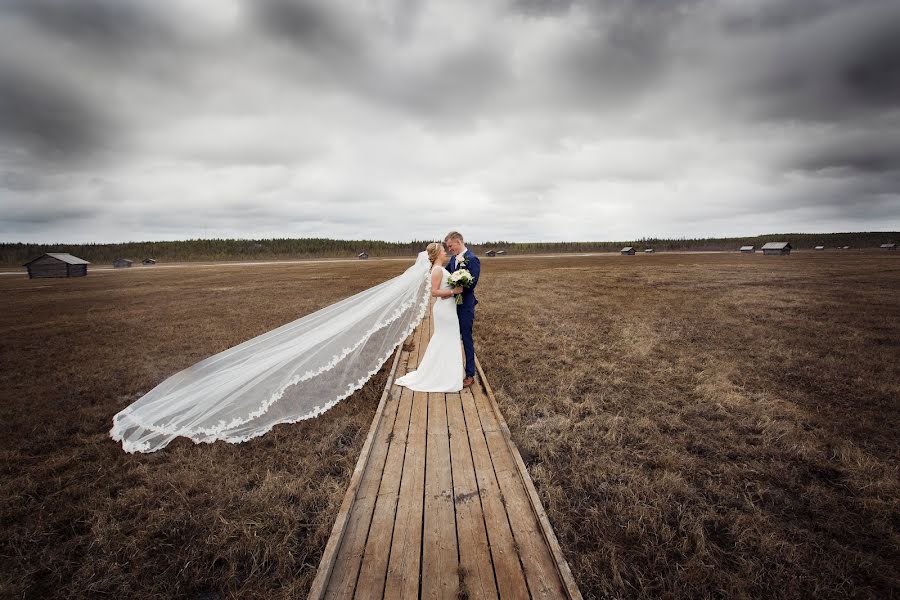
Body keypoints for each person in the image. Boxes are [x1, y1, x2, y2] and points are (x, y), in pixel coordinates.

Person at [395, 242, 465, 392]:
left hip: (448, 308)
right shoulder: (437, 270)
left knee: (447, 339)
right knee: (445, 338)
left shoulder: (439, 269)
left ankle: (446, 373)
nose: (445, 253)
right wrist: (455, 291)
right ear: (437, 254)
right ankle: (441, 375)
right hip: (445, 311)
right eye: (443, 251)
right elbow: (434, 292)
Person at [444, 231, 480, 387]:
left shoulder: (472, 259)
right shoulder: (452, 259)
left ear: (458, 242)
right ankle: (452, 370)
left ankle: (470, 374)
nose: (449, 250)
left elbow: (472, 284)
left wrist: (459, 283)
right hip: (452, 305)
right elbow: (446, 274)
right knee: (452, 337)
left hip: (465, 306)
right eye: (448, 247)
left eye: (450, 246)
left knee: (466, 338)